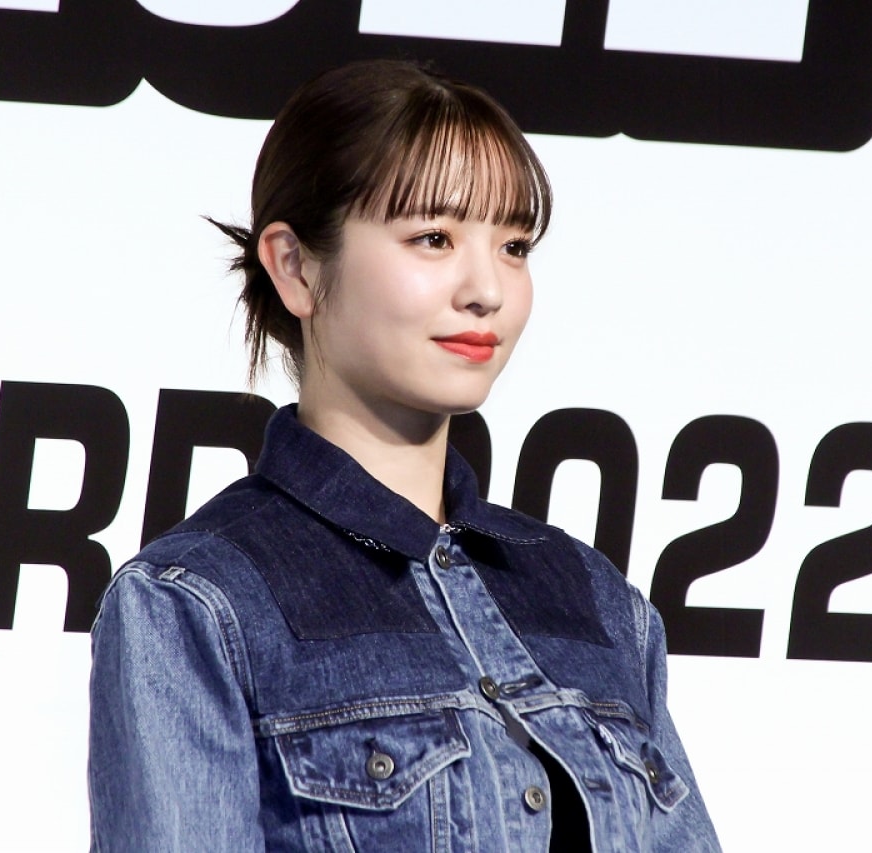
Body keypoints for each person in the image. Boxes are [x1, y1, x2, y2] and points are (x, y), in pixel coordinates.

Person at [87, 59, 721, 852]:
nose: (487, 289)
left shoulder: (597, 599)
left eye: (514, 245)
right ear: (295, 267)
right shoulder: (196, 602)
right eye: (433, 237)